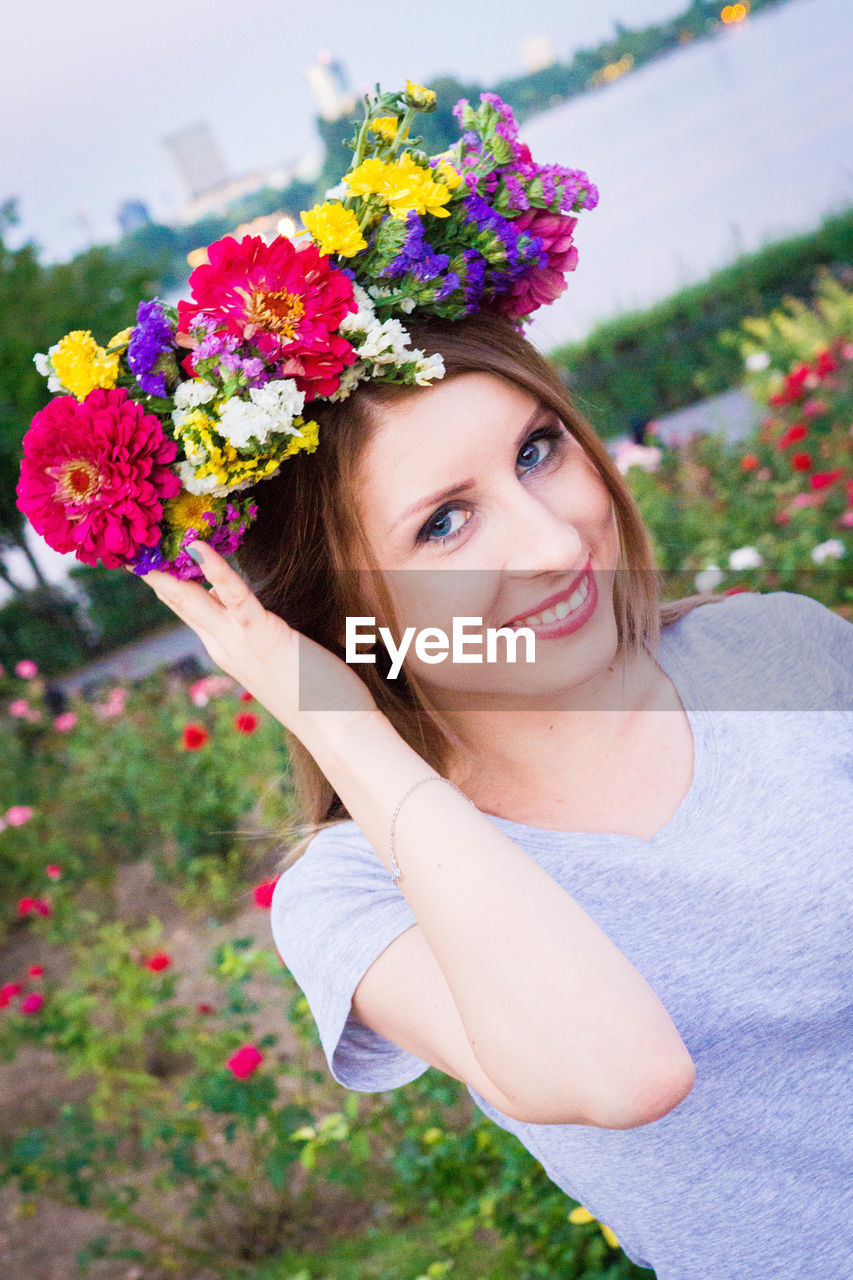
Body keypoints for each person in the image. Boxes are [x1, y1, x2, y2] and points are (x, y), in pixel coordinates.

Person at [20, 83, 852, 1280]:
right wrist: (335, 718)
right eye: (447, 521)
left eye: (536, 449)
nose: (555, 540)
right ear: (338, 605)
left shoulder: (771, 651)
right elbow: (620, 1071)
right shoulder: (360, 896)